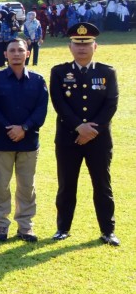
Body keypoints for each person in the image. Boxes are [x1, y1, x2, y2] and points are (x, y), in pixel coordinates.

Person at [49, 23, 120, 246]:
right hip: (68, 138)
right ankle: (63, 228)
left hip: (99, 140)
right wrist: (79, 127)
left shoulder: (107, 72)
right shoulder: (59, 72)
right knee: (67, 184)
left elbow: (111, 104)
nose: (82, 48)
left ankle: (108, 231)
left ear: (95, 46)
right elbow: (59, 103)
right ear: (70, 47)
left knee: (102, 185)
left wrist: (92, 130)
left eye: (87, 44)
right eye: (77, 44)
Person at [0, 37, 48, 242]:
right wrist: (9, 128)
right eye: (12, 50)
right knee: (0, 185)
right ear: (5, 54)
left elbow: (41, 110)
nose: (16, 54)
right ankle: (1, 224)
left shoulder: (38, 80)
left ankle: (25, 226)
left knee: (27, 186)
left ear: (27, 54)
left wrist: (24, 128)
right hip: (2, 141)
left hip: (28, 142)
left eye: (20, 50)